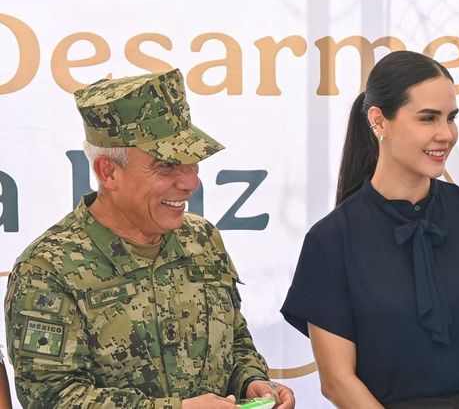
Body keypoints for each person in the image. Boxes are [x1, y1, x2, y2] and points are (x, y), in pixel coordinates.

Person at [4, 69, 295, 409]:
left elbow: (235, 344)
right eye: (167, 166)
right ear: (109, 172)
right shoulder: (48, 268)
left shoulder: (202, 240)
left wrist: (252, 382)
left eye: (192, 163)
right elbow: (52, 397)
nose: (190, 183)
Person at [280, 50, 459, 408]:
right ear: (379, 121)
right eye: (428, 118)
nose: (446, 134)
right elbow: (337, 381)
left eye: (451, 118)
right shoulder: (331, 240)